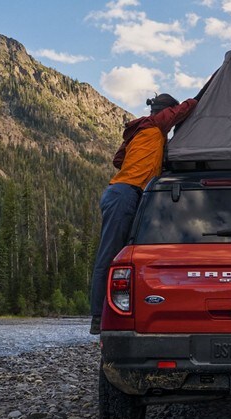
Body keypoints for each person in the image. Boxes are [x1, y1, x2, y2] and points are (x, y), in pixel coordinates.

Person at [89, 93, 198, 334]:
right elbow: (186, 108)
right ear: (164, 111)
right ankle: (98, 317)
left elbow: (118, 159)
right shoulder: (156, 123)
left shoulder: (141, 130)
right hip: (125, 193)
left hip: (124, 192)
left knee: (124, 255)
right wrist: (198, 98)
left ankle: (115, 313)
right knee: (109, 256)